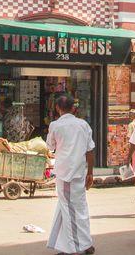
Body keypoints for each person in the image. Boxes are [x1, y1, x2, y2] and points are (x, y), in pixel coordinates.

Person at [46, 94, 95, 255]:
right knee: (78, 207)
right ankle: (81, 244)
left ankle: (74, 248)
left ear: (58, 108)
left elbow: (50, 146)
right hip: (79, 172)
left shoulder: (55, 125)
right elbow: (90, 151)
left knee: (68, 209)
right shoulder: (83, 125)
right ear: (73, 108)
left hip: (65, 173)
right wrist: (90, 173)